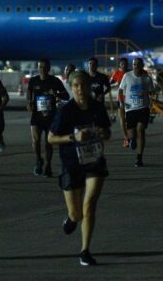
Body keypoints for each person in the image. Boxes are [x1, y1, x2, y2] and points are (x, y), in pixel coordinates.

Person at [48, 70, 111, 266]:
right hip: (71, 163)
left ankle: (85, 250)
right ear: (71, 87)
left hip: (94, 161)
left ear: (89, 86)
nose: (80, 89)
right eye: (76, 86)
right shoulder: (66, 111)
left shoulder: (97, 108)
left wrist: (103, 133)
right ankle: (71, 218)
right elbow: (50, 138)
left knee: (89, 205)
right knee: (77, 214)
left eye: (83, 85)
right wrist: (73, 137)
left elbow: (108, 133)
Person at [27, 59, 70, 177]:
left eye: (45, 67)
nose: (42, 69)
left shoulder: (55, 81)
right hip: (36, 115)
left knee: (48, 143)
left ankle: (48, 166)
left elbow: (66, 96)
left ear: (49, 68)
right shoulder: (33, 80)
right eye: (40, 67)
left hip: (50, 116)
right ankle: (38, 160)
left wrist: (56, 94)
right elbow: (29, 92)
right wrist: (29, 102)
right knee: (35, 140)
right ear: (38, 68)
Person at [118, 58, 154, 167]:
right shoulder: (127, 76)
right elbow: (120, 90)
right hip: (130, 109)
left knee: (141, 130)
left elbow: (151, 91)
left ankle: (139, 158)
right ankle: (131, 139)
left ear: (142, 65)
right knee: (132, 135)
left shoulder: (147, 78)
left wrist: (152, 97)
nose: (136, 66)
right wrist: (122, 103)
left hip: (143, 108)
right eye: (134, 64)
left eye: (138, 64)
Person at [87, 58, 114, 122]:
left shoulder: (102, 76)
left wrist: (103, 94)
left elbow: (108, 87)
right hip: (88, 103)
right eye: (90, 63)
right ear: (88, 65)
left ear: (97, 65)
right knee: (89, 121)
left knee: (101, 122)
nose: (92, 65)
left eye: (94, 64)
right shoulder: (85, 76)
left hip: (99, 102)